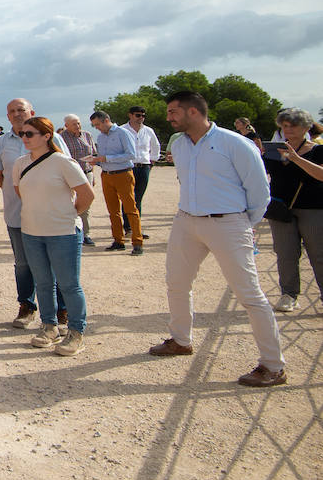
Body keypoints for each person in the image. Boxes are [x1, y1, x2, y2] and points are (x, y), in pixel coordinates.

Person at [149, 91, 285, 387]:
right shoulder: (181, 145)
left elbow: (259, 191)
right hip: (187, 221)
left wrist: (241, 224)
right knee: (177, 283)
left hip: (229, 222)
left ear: (193, 112)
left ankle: (273, 366)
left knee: (249, 295)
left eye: (173, 111)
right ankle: (181, 340)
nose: (169, 117)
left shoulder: (234, 143)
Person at [13, 117, 96, 356]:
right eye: (23, 134)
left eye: (30, 134)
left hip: (63, 232)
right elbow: (22, 193)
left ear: (46, 136)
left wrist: (68, 213)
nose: (25, 138)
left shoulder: (62, 162)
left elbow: (86, 194)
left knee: (69, 284)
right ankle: (49, 326)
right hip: (32, 231)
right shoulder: (20, 164)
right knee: (43, 282)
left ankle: (76, 332)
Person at [0, 98, 70, 329]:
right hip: (18, 213)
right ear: (7, 117)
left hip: (49, 213)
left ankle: (61, 308)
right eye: (12, 111)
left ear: (31, 112)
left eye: (21, 110)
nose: (16, 114)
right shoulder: (2, 143)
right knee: (23, 264)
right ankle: (27, 306)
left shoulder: (51, 137)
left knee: (54, 262)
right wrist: (20, 192)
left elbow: (66, 169)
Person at [265, 107, 323, 314]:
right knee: (285, 253)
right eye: (285, 125)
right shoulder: (274, 151)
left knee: (319, 253)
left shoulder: (317, 150)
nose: (288, 130)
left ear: (306, 127)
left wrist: (296, 159)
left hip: (314, 207)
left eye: (293, 125)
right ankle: (289, 295)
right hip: (280, 207)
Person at [89, 110, 144, 254]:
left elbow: (131, 154)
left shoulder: (123, 133)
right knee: (113, 211)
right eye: (94, 126)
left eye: (98, 124)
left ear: (106, 120)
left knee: (130, 209)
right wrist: (97, 161)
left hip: (123, 174)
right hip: (106, 175)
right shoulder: (100, 138)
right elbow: (103, 157)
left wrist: (107, 158)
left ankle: (137, 242)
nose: (97, 128)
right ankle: (118, 240)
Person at [58, 115, 98, 246]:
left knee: (86, 204)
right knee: (68, 202)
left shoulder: (87, 135)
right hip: (70, 175)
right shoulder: (62, 137)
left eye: (79, 123)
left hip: (86, 173)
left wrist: (93, 174)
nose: (77, 126)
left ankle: (85, 234)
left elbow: (94, 154)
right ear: (67, 125)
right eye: (74, 124)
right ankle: (68, 231)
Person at [125, 106, 161, 240]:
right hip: (129, 166)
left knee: (138, 197)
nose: (141, 118)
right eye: (138, 115)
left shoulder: (148, 131)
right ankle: (128, 227)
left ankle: (136, 228)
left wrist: (152, 162)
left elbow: (155, 146)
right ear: (130, 115)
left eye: (143, 116)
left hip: (144, 166)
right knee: (128, 197)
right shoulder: (123, 130)